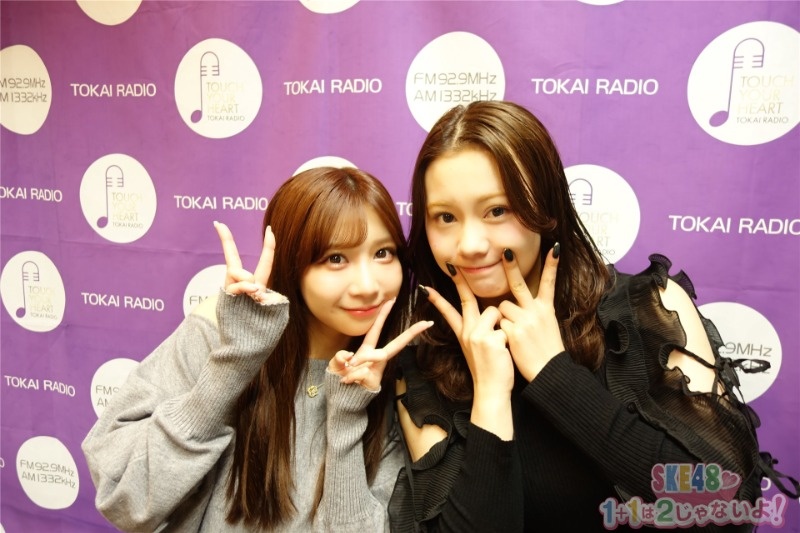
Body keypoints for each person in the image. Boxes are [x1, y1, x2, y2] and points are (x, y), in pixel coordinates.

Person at [388, 100, 799, 532]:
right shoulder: (427, 355)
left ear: (546, 208)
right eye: (445, 217)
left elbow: (723, 507)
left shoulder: (644, 308)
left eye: (497, 210)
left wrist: (555, 376)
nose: (470, 244)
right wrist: (490, 392)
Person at [82, 166, 432, 532]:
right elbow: (125, 500)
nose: (367, 285)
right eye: (335, 258)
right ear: (292, 264)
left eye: (383, 253)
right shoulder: (218, 336)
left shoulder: (396, 370)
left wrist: (346, 419)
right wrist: (234, 363)